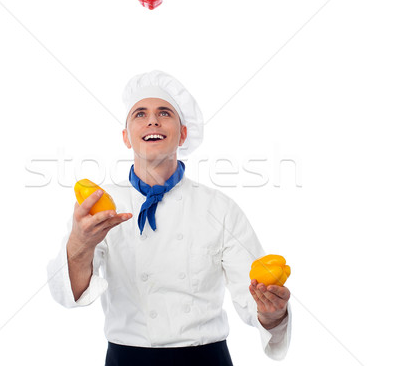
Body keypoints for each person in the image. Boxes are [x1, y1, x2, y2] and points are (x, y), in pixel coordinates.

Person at [47, 70, 292, 365]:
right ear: (126, 137)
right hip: (127, 359)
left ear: (183, 134)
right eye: (140, 114)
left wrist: (272, 312)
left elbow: (252, 295)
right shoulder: (100, 206)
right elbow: (68, 295)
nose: (152, 120)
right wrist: (80, 243)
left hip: (206, 358)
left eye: (164, 112)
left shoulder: (220, 208)